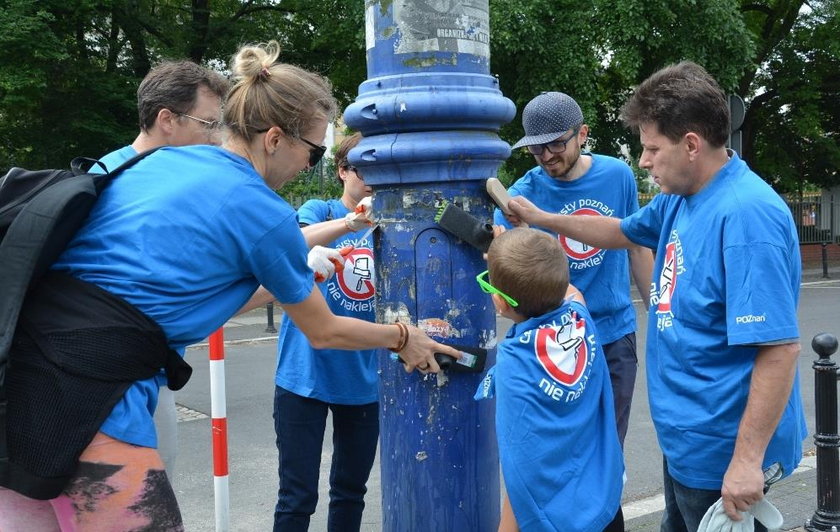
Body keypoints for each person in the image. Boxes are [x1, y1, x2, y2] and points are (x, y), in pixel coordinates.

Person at [0, 41, 459, 531]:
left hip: (17, 383)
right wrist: (404, 339)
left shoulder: (160, 161)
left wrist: (294, 275)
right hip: (89, 403)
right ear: (276, 138)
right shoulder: (262, 210)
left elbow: (177, 293)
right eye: (315, 151)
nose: (311, 165)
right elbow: (323, 331)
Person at [503, 61, 806, 531]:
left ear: (690, 145)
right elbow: (619, 231)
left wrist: (747, 461)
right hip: (688, 445)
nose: (642, 162)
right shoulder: (681, 197)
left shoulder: (746, 218)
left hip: (723, 454)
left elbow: (779, 349)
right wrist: (543, 219)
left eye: (650, 149)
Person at [94, 59, 231, 481]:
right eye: (208, 124)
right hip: (100, 380)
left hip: (152, 374)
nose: (218, 138)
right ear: (166, 120)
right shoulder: (104, 179)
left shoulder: (191, 184)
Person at [493, 91, 653, 446]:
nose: (547, 157)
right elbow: (509, 279)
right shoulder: (520, 198)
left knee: (609, 446)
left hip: (614, 333)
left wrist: (658, 313)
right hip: (555, 341)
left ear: (582, 134)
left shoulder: (617, 175)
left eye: (555, 145)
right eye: (536, 149)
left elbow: (637, 247)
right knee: (568, 449)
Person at [474, 228, 624, 532]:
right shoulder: (581, 320)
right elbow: (569, 290)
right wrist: (521, 251)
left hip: (554, 521)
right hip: (604, 504)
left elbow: (521, 468)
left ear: (500, 302)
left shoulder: (514, 364)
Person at [272, 132, 379, 531]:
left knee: (350, 491)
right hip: (304, 377)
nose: (369, 180)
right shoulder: (321, 210)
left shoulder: (390, 224)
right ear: (341, 171)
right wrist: (350, 223)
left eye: (378, 170)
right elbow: (291, 245)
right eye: (360, 169)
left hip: (364, 378)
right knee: (297, 496)